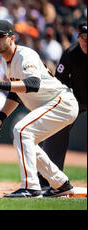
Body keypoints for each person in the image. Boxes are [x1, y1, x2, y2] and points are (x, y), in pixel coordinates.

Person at [0, 20, 79, 198]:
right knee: (22, 139)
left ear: (12, 38)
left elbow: (32, 84)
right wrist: (1, 117)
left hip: (61, 101)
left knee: (21, 131)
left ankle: (30, 187)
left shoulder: (25, 54)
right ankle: (61, 184)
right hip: (53, 104)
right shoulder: (6, 62)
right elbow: (16, 94)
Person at [38, 23, 87, 190]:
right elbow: (61, 80)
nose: (85, 42)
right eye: (83, 39)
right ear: (78, 39)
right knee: (57, 128)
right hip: (76, 99)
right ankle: (49, 179)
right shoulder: (70, 53)